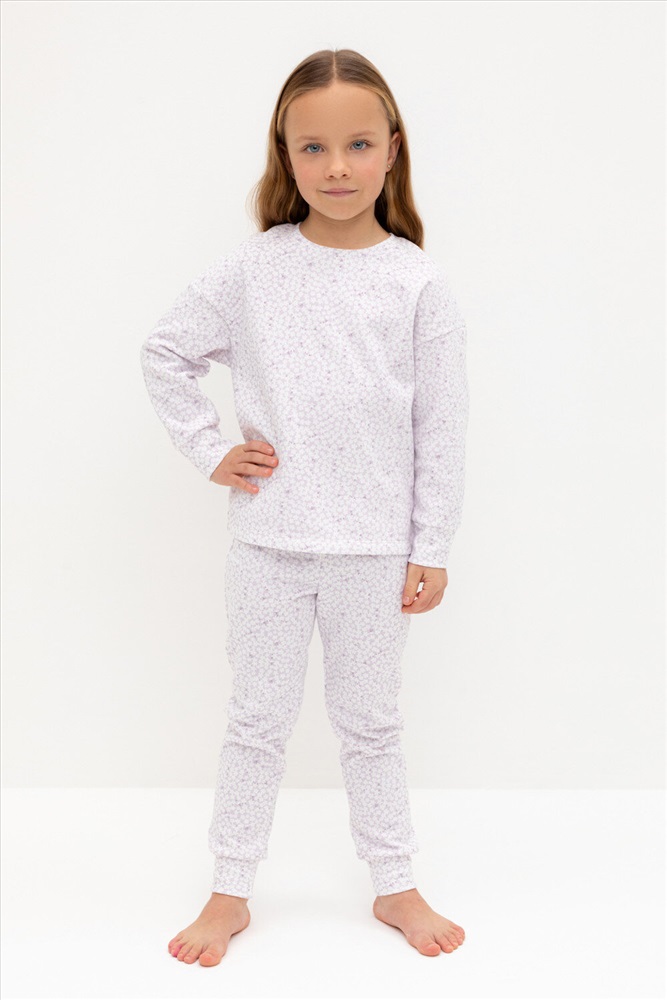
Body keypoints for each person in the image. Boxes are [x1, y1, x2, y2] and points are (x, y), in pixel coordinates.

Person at [140, 48, 469, 966]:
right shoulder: (252, 271)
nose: (336, 167)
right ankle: (229, 890)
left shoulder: (417, 285)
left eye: (357, 145)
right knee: (256, 722)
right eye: (312, 147)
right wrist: (211, 450)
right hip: (269, 547)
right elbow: (164, 352)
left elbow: (441, 428)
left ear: (391, 149)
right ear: (284, 155)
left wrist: (431, 545)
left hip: (373, 551)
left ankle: (394, 883)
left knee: (371, 725)